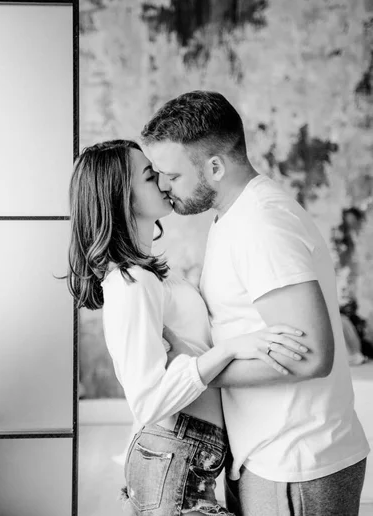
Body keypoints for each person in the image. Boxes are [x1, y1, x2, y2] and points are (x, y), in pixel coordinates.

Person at [141, 90, 370, 516]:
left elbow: (313, 356)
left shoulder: (262, 224)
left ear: (214, 166)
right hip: (269, 457)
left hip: (296, 463)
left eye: (172, 175)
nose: (165, 186)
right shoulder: (234, 216)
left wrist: (194, 377)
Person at [66, 139, 308, 516]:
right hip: (177, 455)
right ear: (122, 198)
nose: (164, 181)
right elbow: (147, 401)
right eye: (150, 176)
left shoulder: (151, 275)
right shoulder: (131, 284)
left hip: (184, 455)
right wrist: (229, 349)